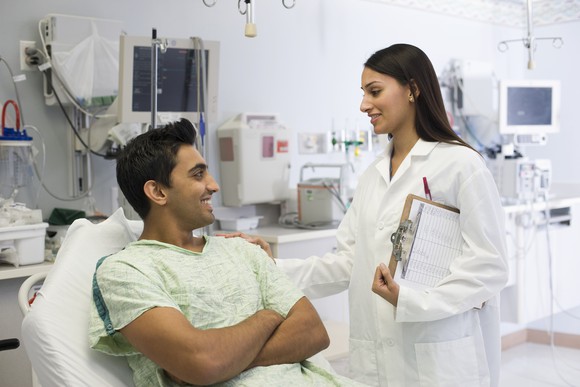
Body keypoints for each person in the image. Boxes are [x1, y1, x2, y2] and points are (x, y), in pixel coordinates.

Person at [233, 44, 509, 386]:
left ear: (413, 89)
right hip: (377, 355)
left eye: (374, 91)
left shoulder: (461, 165)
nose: (364, 104)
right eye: (363, 93)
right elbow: (351, 262)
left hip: (439, 354)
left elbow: (490, 265)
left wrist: (413, 301)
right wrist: (270, 267)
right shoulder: (372, 174)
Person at [88, 119, 366, 387]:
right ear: (158, 192)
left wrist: (224, 361)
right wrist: (268, 317)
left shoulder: (241, 248)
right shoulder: (126, 271)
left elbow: (313, 332)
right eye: (198, 174)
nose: (214, 185)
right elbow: (202, 361)